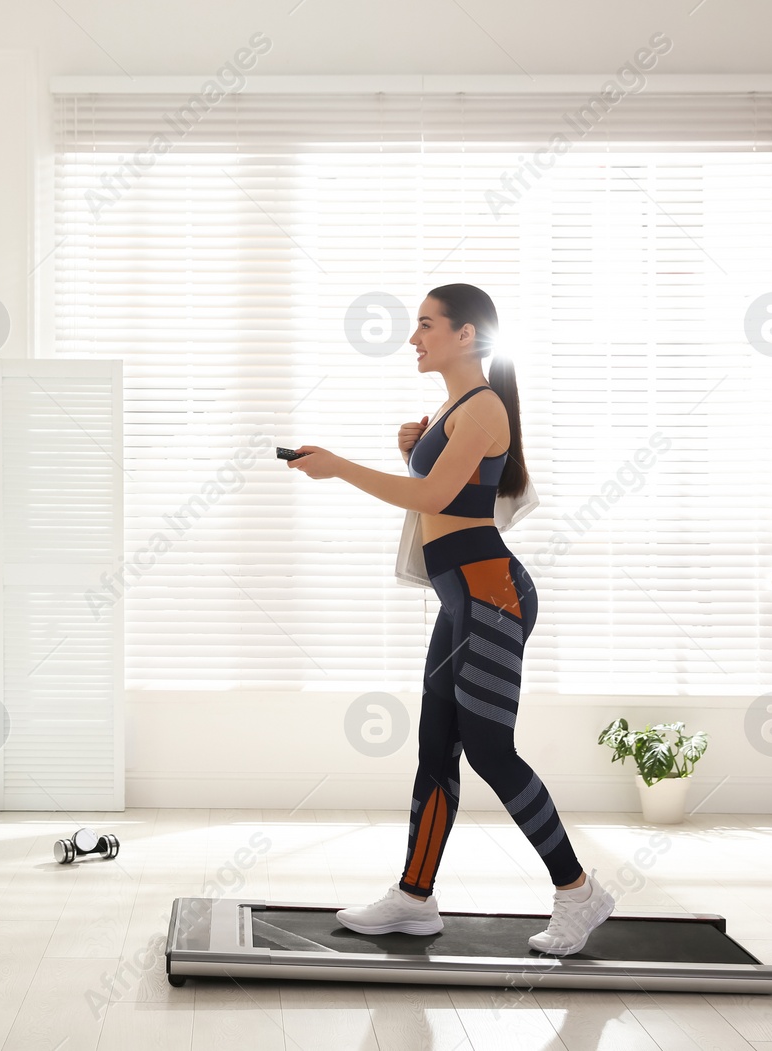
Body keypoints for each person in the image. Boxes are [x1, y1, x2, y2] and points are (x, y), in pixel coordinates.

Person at [285, 283, 615, 956]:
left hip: (492, 594)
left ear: (467, 335)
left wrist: (341, 467)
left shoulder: (485, 405)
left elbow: (436, 495)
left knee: (491, 749)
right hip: (461, 596)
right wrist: (416, 439)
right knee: (436, 743)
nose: (415, 337)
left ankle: (579, 892)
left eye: (427, 325)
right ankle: (414, 896)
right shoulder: (455, 406)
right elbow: (444, 482)